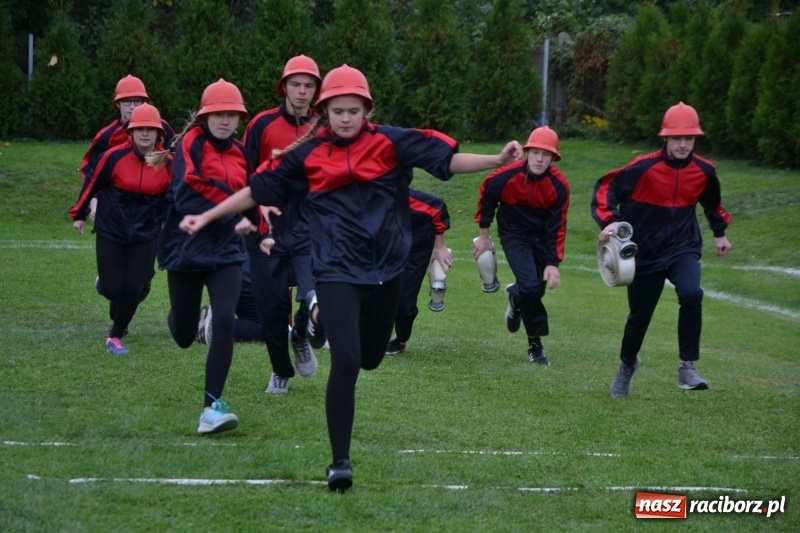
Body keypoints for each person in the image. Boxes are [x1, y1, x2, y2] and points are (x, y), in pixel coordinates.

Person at [177, 64, 522, 491]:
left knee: (371, 357)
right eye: (337, 110)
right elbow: (256, 190)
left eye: (352, 110)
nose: (344, 117)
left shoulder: (391, 142)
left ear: (366, 110)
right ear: (325, 110)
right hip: (336, 268)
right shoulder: (307, 153)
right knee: (346, 362)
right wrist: (208, 214)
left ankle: (316, 319)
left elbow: (447, 159)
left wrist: (497, 160)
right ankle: (339, 462)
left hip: (388, 269)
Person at [591, 101, 732, 398]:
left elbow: (712, 203)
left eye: (689, 138)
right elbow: (606, 190)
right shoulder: (641, 168)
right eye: (677, 138)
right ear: (665, 138)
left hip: (683, 247)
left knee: (692, 294)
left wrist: (720, 234)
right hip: (644, 252)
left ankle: (687, 366)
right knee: (639, 318)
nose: (683, 144)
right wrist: (610, 222)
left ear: (695, 139)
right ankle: (627, 366)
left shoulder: (704, 171)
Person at [151, 79, 254, 434]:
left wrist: (258, 221)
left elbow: (253, 194)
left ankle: (211, 407)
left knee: (225, 319)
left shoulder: (242, 153)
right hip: (185, 250)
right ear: (204, 116)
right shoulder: (191, 143)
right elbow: (186, 193)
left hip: (226, 252)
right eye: (218, 114)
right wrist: (232, 209)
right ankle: (185, 318)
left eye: (232, 115)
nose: (225, 121)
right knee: (182, 336)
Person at [240, 55, 322, 394]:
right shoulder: (261, 124)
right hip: (265, 230)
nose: (302, 91)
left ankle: (301, 334)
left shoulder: (324, 126)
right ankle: (280, 371)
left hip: (308, 228)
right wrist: (246, 220)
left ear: (317, 90)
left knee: (316, 295)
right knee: (271, 310)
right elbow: (244, 173)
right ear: (284, 87)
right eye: (296, 85)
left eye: (308, 85)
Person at [69, 103, 171, 355]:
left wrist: (174, 230)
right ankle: (108, 288)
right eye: (140, 129)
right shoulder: (113, 157)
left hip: (146, 234)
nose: (145, 134)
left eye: (150, 129)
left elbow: (174, 201)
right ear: (131, 131)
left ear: (159, 134)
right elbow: (92, 184)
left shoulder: (169, 163)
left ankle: (115, 335)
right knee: (114, 288)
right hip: (111, 230)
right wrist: (79, 214)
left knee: (134, 288)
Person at [473, 126, 570, 366]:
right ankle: (535, 346)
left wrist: (552, 263)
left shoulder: (559, 186)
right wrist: (484, 235)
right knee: (529, 285)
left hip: (542, 236)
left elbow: (558, 226)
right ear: (527, 152)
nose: (539, 159)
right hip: (513, 234)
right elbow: (486, 197)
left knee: (534, 290)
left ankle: (515, 297)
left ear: (553, 158)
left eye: (545, 154)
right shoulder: (505, 176)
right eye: (535, 152)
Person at [79, 74, 175, 304]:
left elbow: (175, 161)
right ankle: (109, 287)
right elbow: (90, 171)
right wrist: (94, 202)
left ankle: (139, 285)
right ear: (118, 105)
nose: (133, 106)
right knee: (114, 282)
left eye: (138, 101)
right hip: (116, 208)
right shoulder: (106, 136)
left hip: (151, 206)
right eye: (127, 101)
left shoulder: (161, 127)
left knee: (139, 278)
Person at [385, 187, 453, 355]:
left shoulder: (413, 200)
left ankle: (400, 339)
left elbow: (438, 208)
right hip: (385, 247)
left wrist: (440, 246)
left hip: (417, 247)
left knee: (404, 305)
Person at [195, 253, 265, 345]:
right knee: (270, 329)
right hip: (244, 276)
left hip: (223, 267)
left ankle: (187, 319)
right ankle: (211, 325)